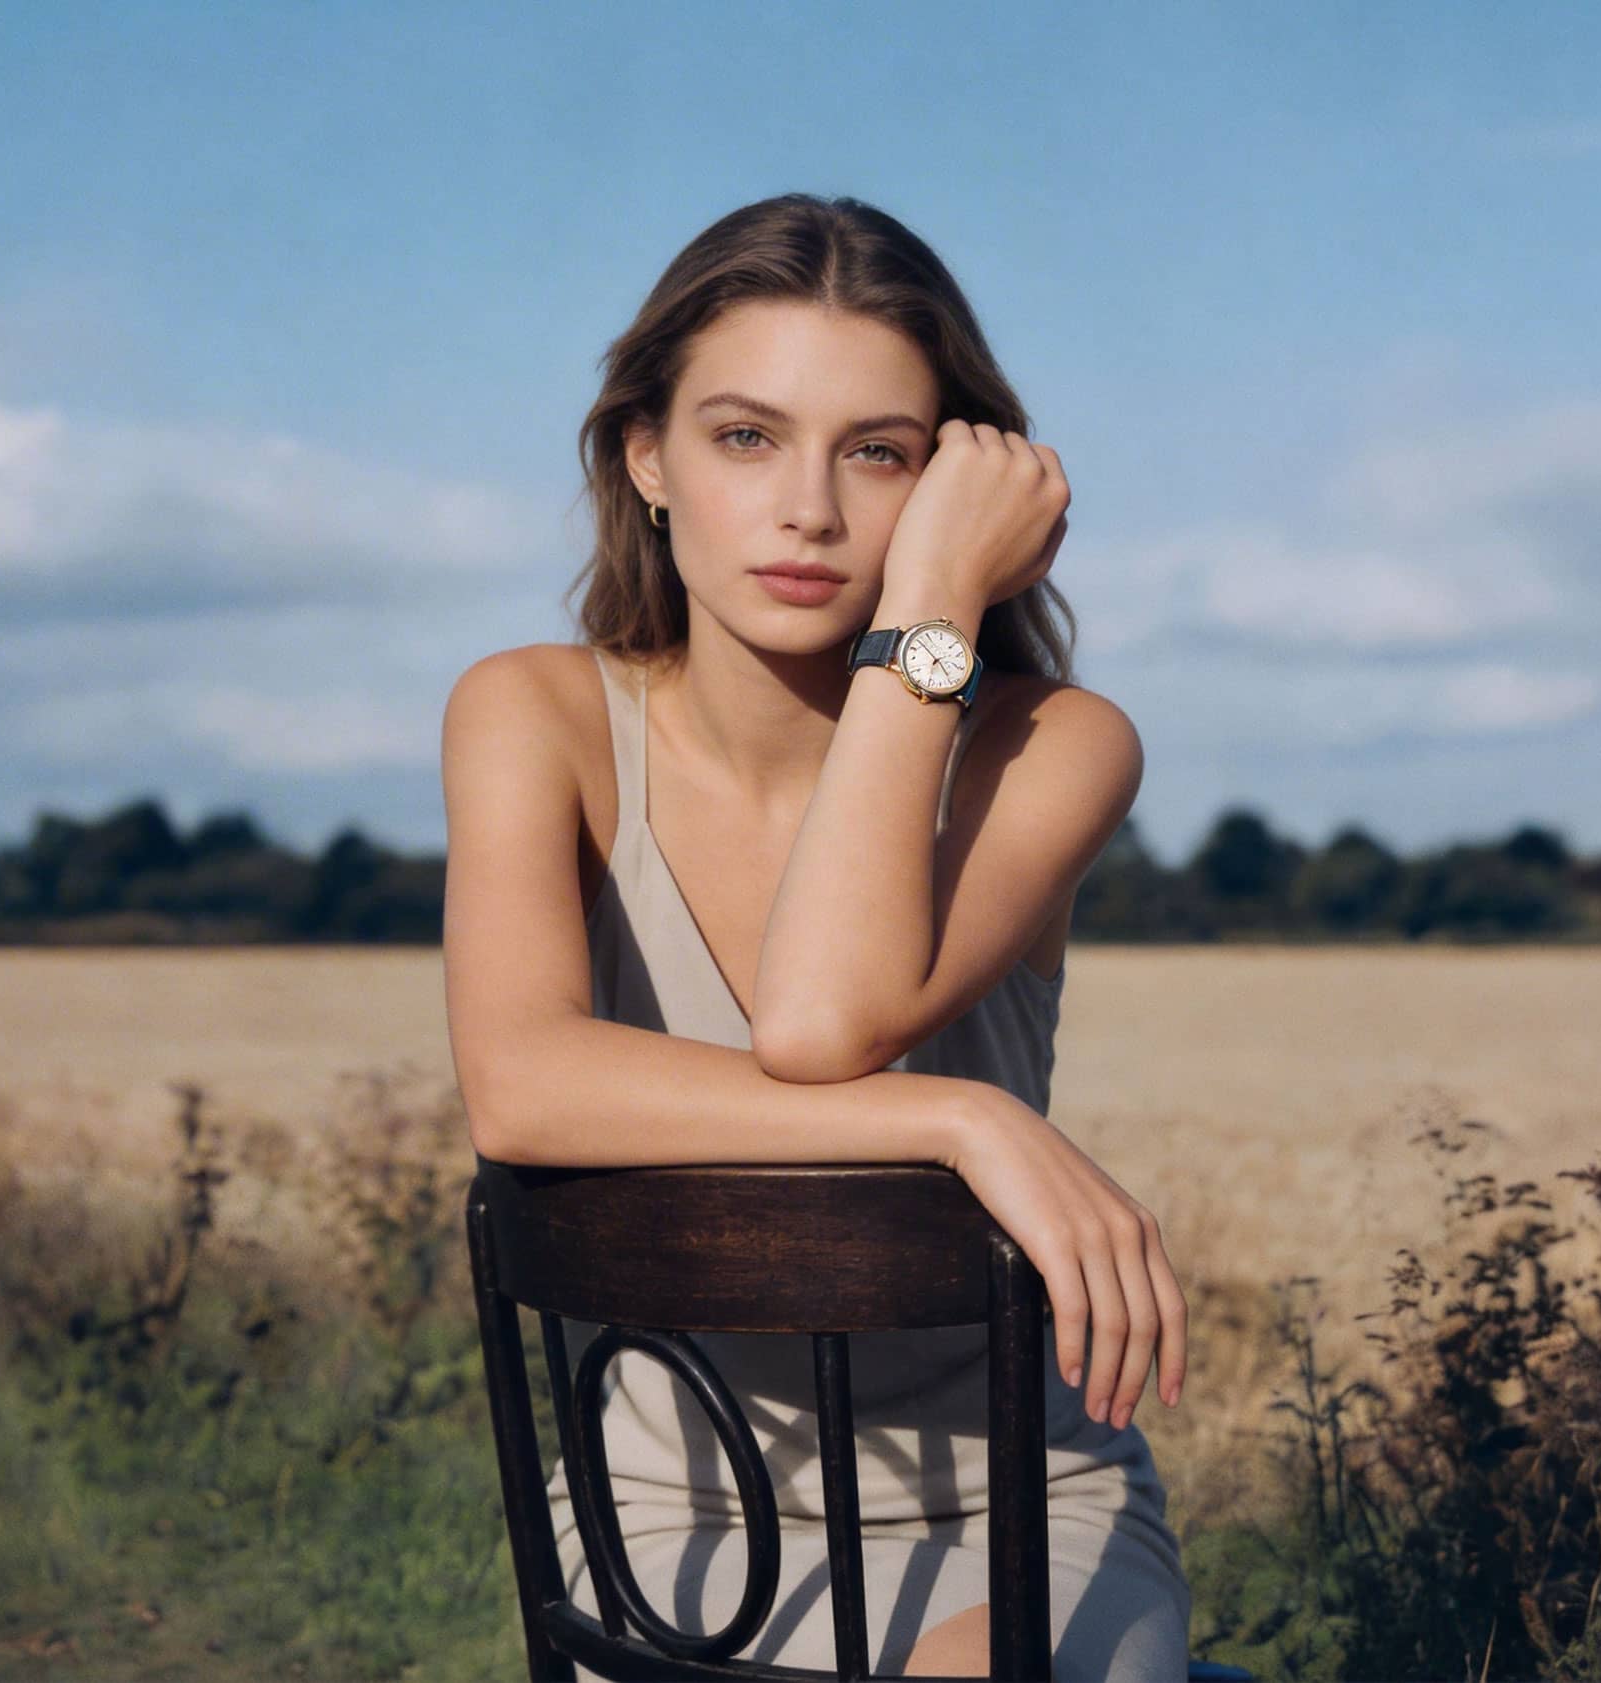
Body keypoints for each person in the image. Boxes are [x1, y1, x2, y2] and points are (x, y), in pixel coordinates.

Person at [441, 192, 1192, 1680]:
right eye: (745, 437)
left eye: (879, 454)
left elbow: (817, 1017)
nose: (810, 512)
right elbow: (519, 1088)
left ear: (957, 487)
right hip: (668, 1506)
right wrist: (959, 1119)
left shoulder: (1051, 746)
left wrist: (930, 606)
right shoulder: (532, 714)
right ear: (646, 458)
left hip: (1016, 1505)